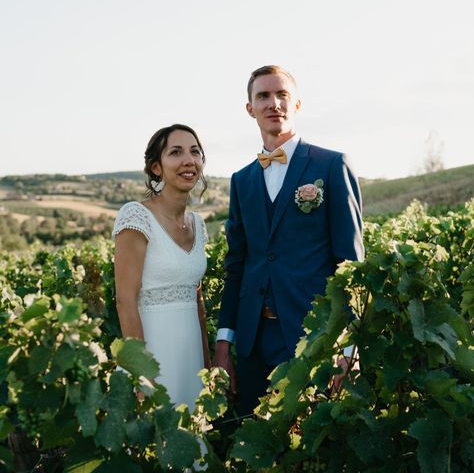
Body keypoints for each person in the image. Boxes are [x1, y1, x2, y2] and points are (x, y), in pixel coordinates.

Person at [215, 65, 364, 417]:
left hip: (311, 336)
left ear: (297, 104)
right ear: (250, 108)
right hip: (252, 342)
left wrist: (348, 348)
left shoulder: (331, 165)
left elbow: (350, 264)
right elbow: (236, 266)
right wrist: (224, 345)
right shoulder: (242, 180)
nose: (273, 103)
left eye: (282, 95)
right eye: (263, 96)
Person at [112, 124, 211, 408]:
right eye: (175, 152)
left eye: (195, 152)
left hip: (190, 357)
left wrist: (205, 364)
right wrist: (141, 373)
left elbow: (197, 299)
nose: (188, 160)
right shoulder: (136, 216)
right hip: (153, 356)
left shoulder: (198, 224)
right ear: (157, 167)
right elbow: (125, 301)